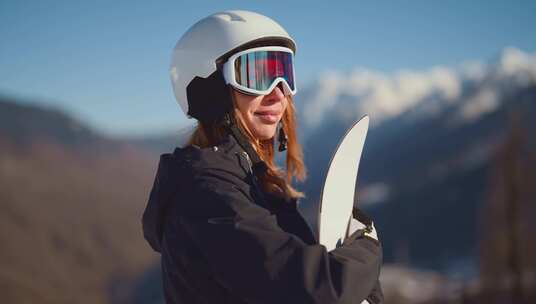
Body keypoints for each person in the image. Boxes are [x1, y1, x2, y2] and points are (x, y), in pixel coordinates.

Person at [142, 10, 384, 304]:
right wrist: (366, 247)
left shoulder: (252, 184)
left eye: (285, 74)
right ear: (211, 89)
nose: (278, 93)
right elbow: (309, 290)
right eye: (257, 75)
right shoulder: (206, 195)